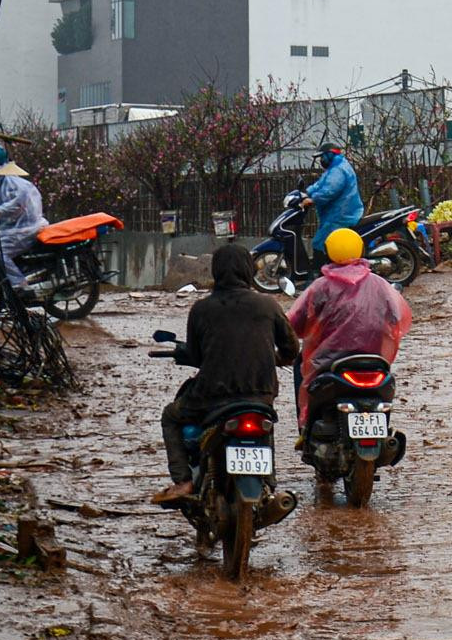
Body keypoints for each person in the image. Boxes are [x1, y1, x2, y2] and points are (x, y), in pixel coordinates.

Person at [156, 242, 297, 506]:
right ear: (249, 271)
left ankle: (183, 481)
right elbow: (291, 348)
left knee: (170, 416)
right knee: (265, 423)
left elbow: (196, 356)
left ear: (215, 271)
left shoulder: (201, 309)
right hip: (261, 394)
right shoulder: (268, 304)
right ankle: (269, 480)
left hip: (211, 397)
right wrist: (275, 358)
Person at [285, 226, 413, 440]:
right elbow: (397, 318)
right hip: (373, 359)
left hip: (328, 362)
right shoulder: (380, 284)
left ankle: (305, 428)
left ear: (327, 252)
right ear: (361, 249)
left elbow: (295, 324)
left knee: (300, 364)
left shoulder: (320, 287)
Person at [0, 141, 46, 290]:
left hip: (26, 229)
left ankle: (20, 286)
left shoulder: (11, 182)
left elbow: (16, 205)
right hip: (13, 229)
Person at [305, 142, 364, 255]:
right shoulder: (335, 167)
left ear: (330, 154)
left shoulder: (338, 170)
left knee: (321, 243)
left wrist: (313, 199)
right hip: (337, 214)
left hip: (340, 215)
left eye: (322, 157)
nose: (321, 160)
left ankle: (320, 266)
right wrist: (307, 192)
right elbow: (320, 184)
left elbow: (330, 190)